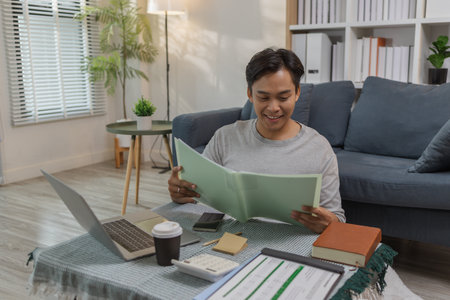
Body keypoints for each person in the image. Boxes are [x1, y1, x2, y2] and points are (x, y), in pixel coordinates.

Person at [168, 48, 345, 233]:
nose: (273, 107)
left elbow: (337, 220)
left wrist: (328, 223)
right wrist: (179, 193)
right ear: (250, 94)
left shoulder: (319, 148)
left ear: (297, 93)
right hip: (230, 239)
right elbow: (196, 196)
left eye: (283, 97)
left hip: (291, 244)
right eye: (263, 97)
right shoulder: (225, 137)